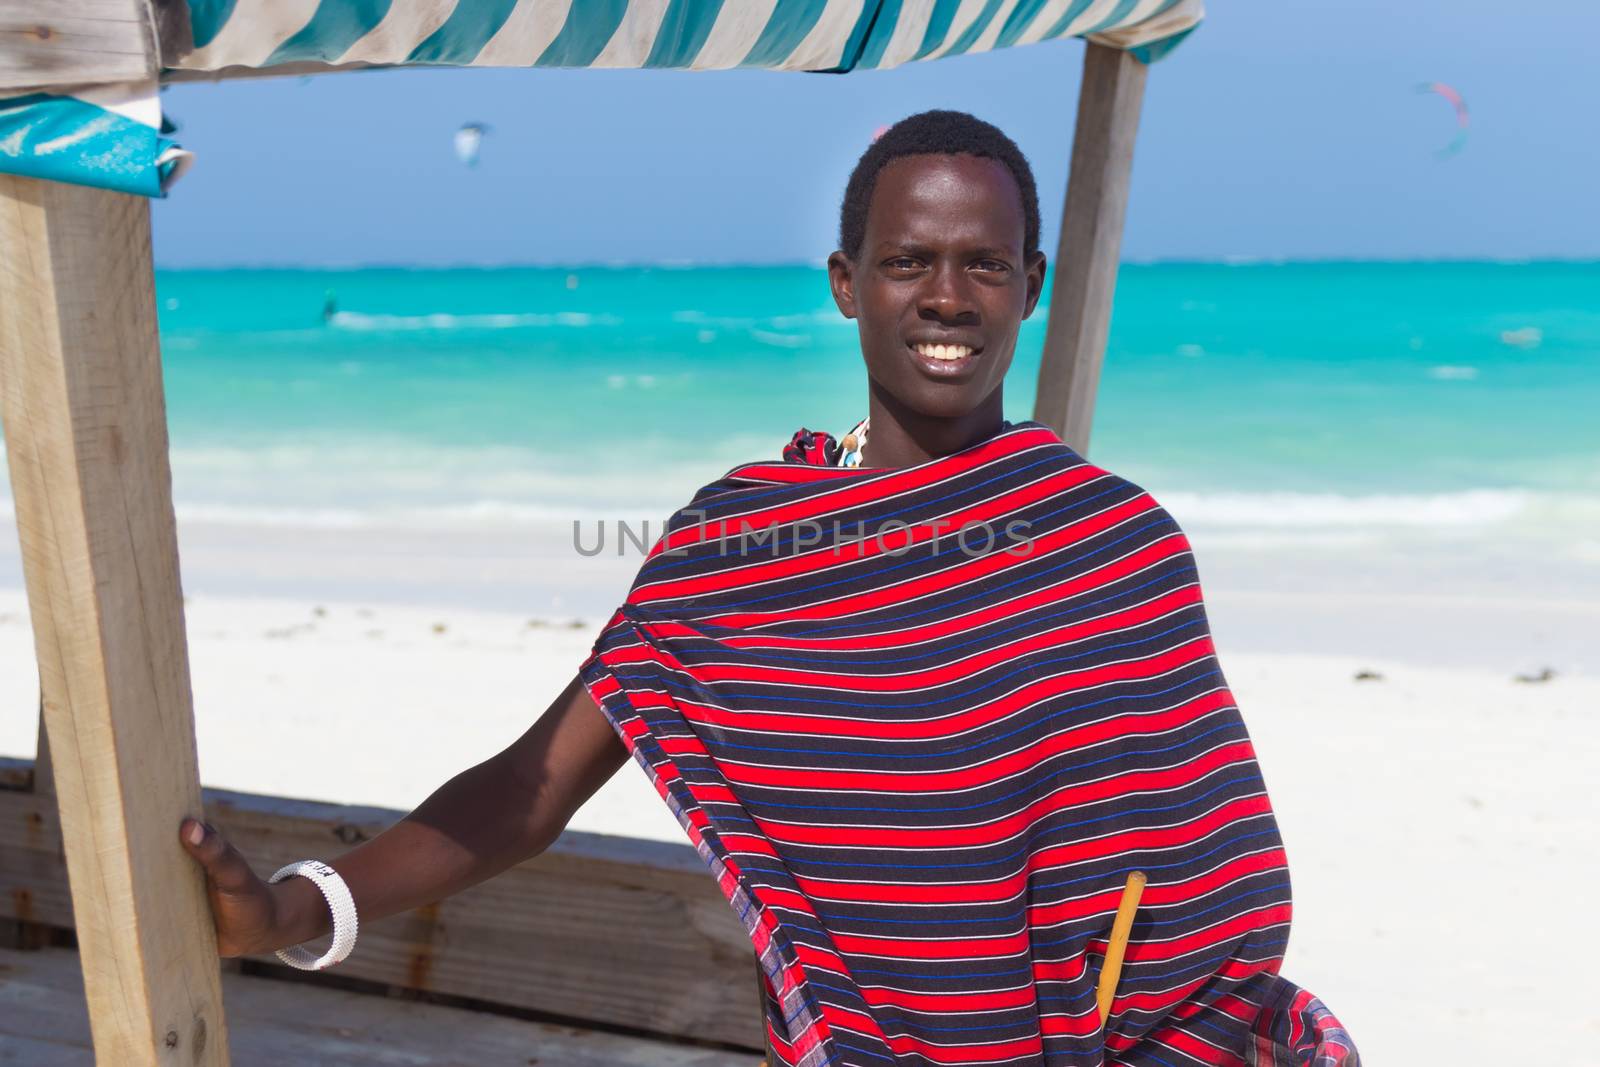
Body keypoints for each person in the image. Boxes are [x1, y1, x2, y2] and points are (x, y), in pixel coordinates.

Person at [180, 110, 1358, 1067]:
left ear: (1030, 283)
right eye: (907, 262)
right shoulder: (736, 550)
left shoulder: (1116, 540)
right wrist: (295, 908)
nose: (946, 297)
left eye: (982, 263)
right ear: (847, 283)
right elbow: (529, 788)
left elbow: (1200, 865)